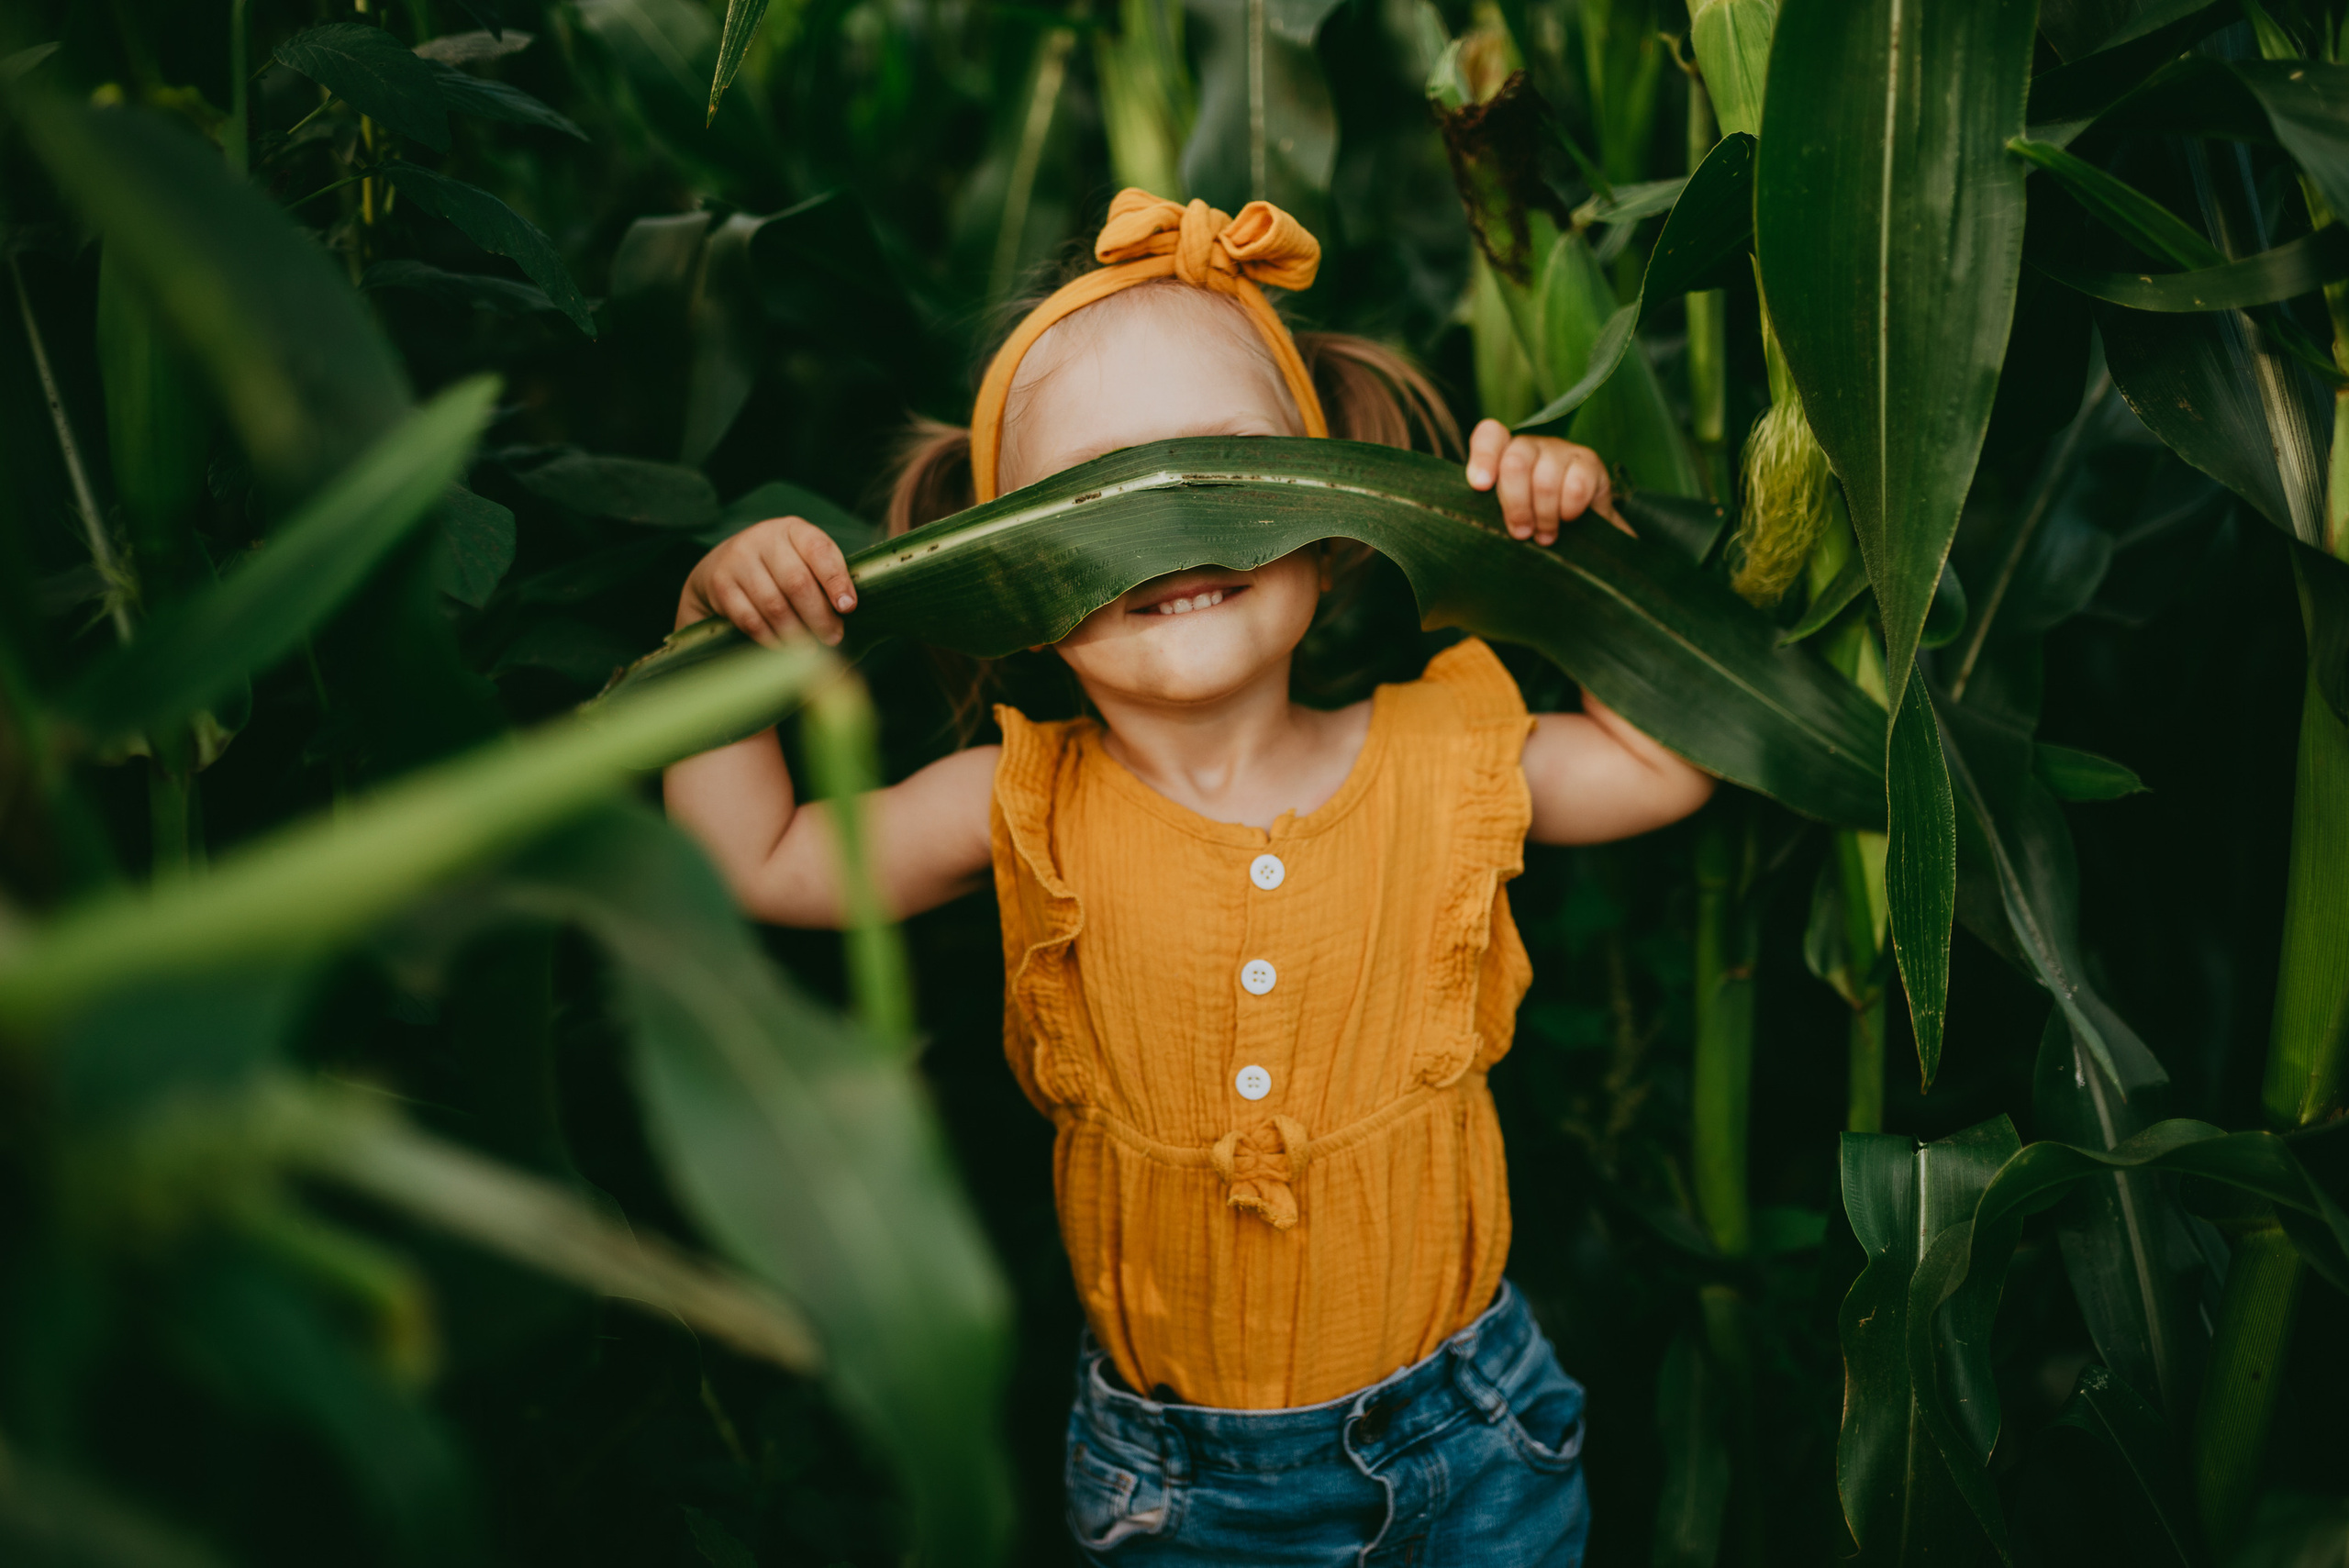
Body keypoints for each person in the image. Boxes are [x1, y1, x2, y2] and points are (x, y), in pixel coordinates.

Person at [663, 189, 1714, 1566]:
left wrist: (1577, 547)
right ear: (1013, 574)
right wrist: (717, 636)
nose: (1173, 530)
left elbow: (1666, 762)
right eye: (1104, 498)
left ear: (1332, 513)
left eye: (1221, 469)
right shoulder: (1020, 803)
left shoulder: (1446, 757)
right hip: (1178, 1492)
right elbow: (764, 856)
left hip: (1474, 1444)